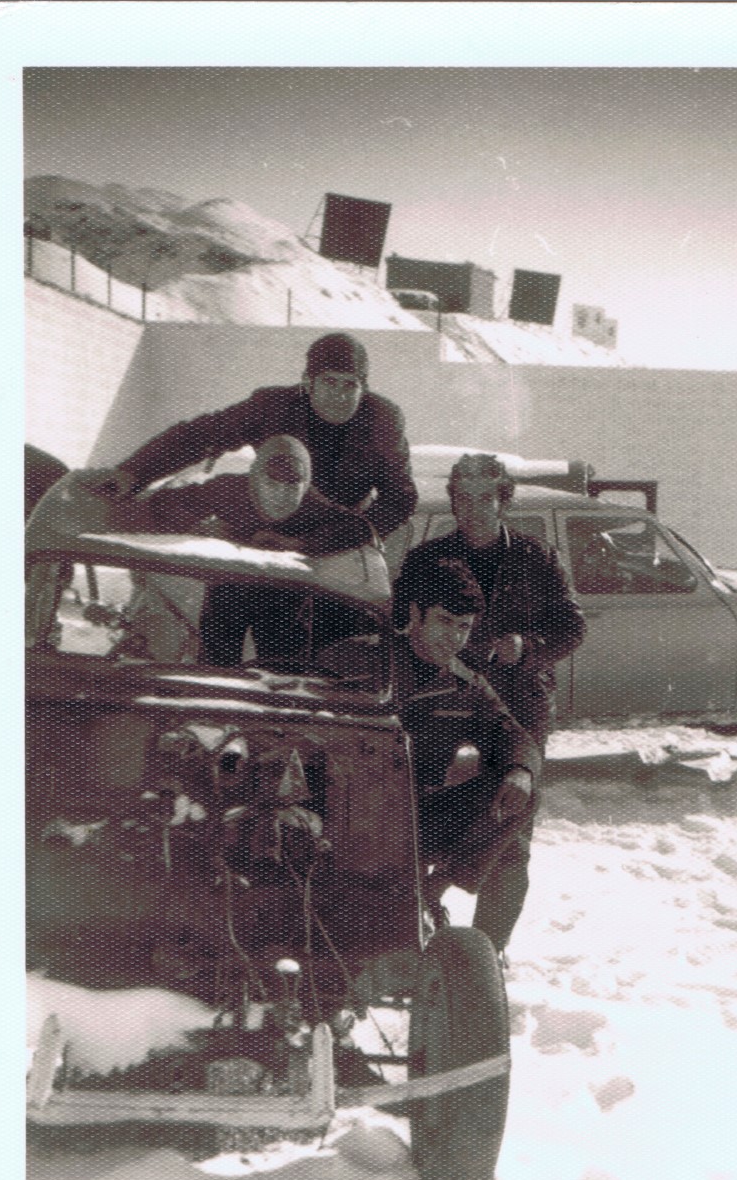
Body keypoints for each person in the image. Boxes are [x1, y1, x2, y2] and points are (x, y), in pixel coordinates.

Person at [394, 452, 586, 957]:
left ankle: (483, 953)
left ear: (503, 500)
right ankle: (407, 922)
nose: (473, 509)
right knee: (405, 809)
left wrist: (528, 647)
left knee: (510, 827)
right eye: (463, 498)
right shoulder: (425, 559)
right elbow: (394, 620)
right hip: (441, 696)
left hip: (517, 699)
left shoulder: (535, 556)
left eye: (485, 498)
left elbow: (573, 627)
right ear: (452, 501)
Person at [325, 556, 540, 921]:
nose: (454, 637)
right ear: (415, 613)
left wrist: (520, 769)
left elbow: (515, 736)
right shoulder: (354, 659)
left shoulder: (464, 685)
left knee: (525, 791)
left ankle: (430, 891)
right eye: (444, 620)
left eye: (464, 626)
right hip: (339, 815)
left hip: (415, 820)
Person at [72, 331, 416, 541]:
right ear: (308, 382)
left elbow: (399, 498)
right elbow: (199, 436)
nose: (339, 396)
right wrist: (133, 472)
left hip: (340, 533)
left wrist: (340, 538)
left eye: (350, 386)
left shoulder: (382, 419)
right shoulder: (274, 406)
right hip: (265, 527)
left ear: (364, 388)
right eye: (329, 382)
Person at [124, 435, 377, 669]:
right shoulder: (230, 490)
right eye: (272, 484)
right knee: (216, 668)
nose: (281, 496)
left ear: (305, 484)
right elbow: (163, 502)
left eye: (291, 488)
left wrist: (296, 543)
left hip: (284, 596)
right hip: (228, 588)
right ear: (256, 478)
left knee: (284, 673)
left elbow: (360, 528)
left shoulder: (312, 504)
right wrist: (197, 526)